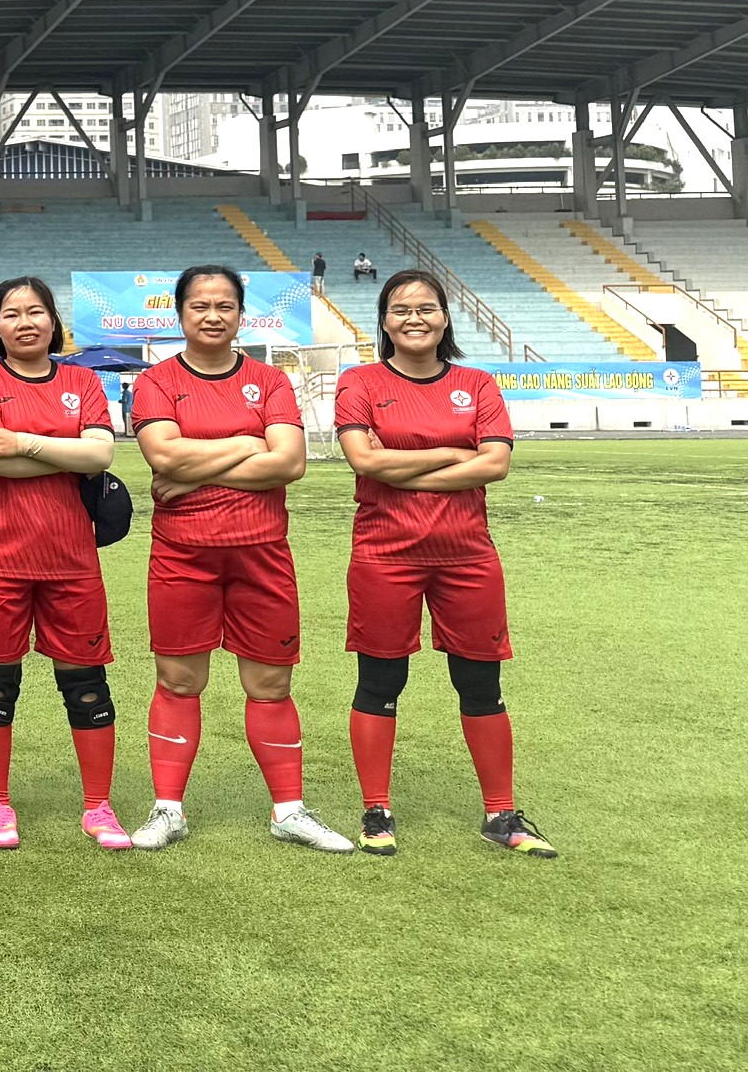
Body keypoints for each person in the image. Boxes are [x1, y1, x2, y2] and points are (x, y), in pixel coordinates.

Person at [128, 265, 351, 854]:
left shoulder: (269, 381)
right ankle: (167, 809)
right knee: (179, 679)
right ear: (180, 313)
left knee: (271, 683)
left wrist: (195, 470)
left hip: (262, 553)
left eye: (224, 305)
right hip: (182, 553)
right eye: (200, 305)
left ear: (240, 315)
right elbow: (164, 457)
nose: (213, 315)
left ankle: (289, 811)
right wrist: (248, 443)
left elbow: (290, 463)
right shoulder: (155, 382)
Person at [335, 270, 554, 857]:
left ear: (445, 317)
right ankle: (377, 810)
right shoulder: (360, 381)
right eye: (401, 309)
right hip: (385, 553)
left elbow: (495, 465)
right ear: (385, 321)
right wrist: (456, 453)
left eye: (426, 308)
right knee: (381, 680)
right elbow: (365, 463)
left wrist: (402, 465)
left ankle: (501, 814)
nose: (414, 318)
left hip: (467, 555)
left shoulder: (477, 383)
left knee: (480, 683)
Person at [0, 276, 129, 850]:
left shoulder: (81, 380)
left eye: (36, 311)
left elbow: (101, 454)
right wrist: (65, 453)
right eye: (11, 313)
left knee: (86, 683)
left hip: (72, 558)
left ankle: (98, 806)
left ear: (54, 320)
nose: (25, 322)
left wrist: (24, 442)